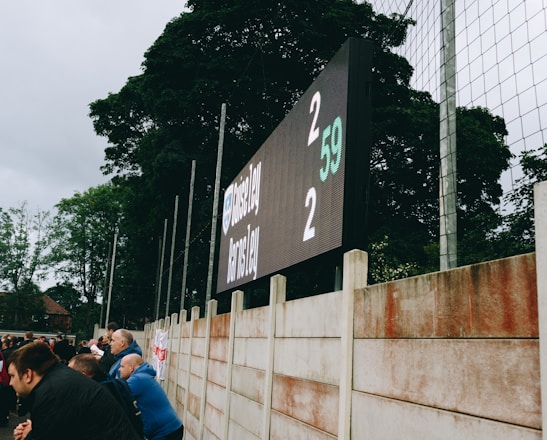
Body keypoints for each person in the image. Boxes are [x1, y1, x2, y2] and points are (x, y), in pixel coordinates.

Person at [7, 341, 142, 440]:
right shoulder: (59, 380)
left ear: (27, 374)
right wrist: (34, 427)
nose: (10, 382)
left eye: (12, 376)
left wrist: (28, 435)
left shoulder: (51, 393)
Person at [119, 354, 184, 440]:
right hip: (170, 428)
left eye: (122, 366)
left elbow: (116, 394)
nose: (119, 369)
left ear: (131, 368)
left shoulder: (138, 380)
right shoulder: (143, 376)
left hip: (165, 432)